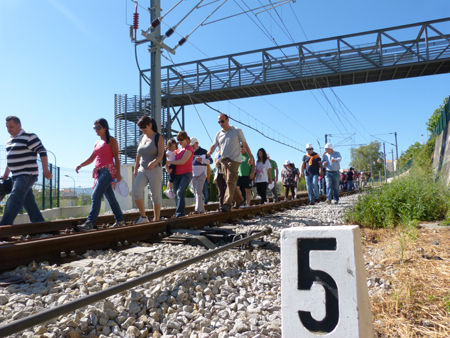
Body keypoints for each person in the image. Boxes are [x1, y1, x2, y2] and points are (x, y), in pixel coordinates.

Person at [0, 116, 53, 226]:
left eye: (11, 126)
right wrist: (5, 174)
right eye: (7, 127)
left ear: (19, 125)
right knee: (28, 202)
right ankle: (40, 225)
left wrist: (45, 170)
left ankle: (3, 226)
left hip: (26, 175)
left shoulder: (29, 136)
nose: (8, 129)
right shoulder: (10, 140)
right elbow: (11, 159)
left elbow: (42, 151)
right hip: (16, 176)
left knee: (14, 198)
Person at [76, 118, 124, 231]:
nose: (96, 130)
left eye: (98, 127)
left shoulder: (111, 140)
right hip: (99, 172)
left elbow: (116, 158)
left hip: (108, 171)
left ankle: (90, 223)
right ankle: (120, 220)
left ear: (105, 128)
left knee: (95, 195)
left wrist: (118, 174)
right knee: (110, 197)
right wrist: (81, 165)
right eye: (94, 128)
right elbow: (92, 158)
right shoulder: (97, 143)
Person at [207, 114, 253, 212]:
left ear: (228, 120)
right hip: (223, 161)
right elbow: (213, 145)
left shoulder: (237, 131)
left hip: (234, 160)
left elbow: (245, 144)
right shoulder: (219, 134)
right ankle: (240, 200)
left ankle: (227, 204)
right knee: (230, 182)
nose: (221, 124)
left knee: (229, 181)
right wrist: (209, 152)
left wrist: (251, 156)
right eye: (219, 122)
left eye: (222, 121)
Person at [132, 116, 164, 223]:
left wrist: (154, 162)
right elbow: (138, 154)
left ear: (150, 125)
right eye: (140, 127)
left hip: (155, 170)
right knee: (136, 192)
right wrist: (136, 168)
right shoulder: (142, 137)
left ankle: (156, 219)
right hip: (142, 169)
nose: (142, 129)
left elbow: (161, 154)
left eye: (144, 127)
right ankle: (143, 217)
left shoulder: (157, 137)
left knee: (155, 196)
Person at [167, 131, 193, 217]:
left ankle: (179, 213)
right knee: (176, 194)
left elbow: (182, 161)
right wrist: (168, 168)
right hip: (177, 174)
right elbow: (169, 158)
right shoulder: (177, 150)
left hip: (186, 173)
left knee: (180, 192)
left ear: (186, 139)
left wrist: (169, 161)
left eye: (181, 139)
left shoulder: (189, 149)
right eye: (178, 140)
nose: (179, 141)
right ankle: (179, 212)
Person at [191, 137, 213, 214]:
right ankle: (202, 210)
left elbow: (211, 161)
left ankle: (197, 209)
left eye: (193, 145)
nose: (192, 147)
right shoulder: (190, 152)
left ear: (197, 143)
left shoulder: (204, 151)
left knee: (198, 191)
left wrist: (202, 160)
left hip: (202, 174)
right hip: (193, 174)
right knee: (196, 192)